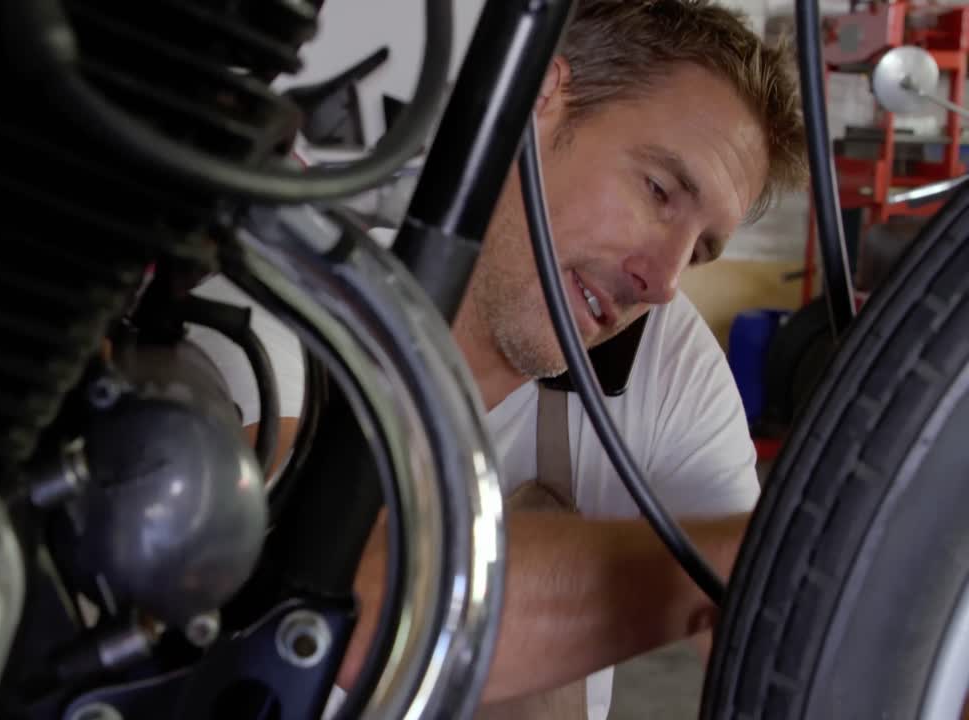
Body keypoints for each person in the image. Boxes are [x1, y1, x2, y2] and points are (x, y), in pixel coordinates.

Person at [188, 0, 808, 717]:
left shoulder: (661, 357)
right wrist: (721, 568)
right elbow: (351, 592)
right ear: (541, 99)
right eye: (660, 191)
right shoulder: (296, 288)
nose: (664, 279)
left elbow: (783, 636)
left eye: (701, 249)